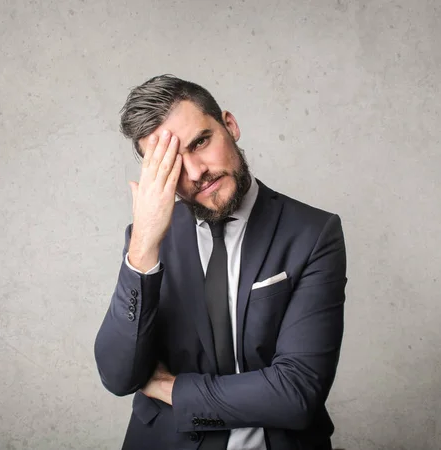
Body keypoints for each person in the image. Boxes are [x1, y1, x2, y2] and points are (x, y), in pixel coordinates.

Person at [94, 74, 347, 450]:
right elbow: (118, 376)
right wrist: (144, 250)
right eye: (171, 164)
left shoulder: (313, 233)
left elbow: (295, 393)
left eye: (200, 142)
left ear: (229, 125)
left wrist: (169, 387)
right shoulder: (145, 241)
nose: (196, 172)